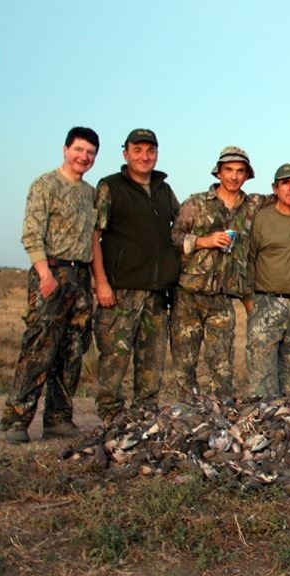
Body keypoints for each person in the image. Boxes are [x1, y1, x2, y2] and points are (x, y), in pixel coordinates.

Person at [1, 127, 100, 443]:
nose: (84, 157)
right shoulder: (45, 185)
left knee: (72, 351)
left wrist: (95, 282)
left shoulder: (90, 194)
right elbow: (32, 233)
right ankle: (16, 421)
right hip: (52, 273)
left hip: (80, 277)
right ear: (65, 149)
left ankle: (58, 419)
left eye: (90, 153)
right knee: (39, 349)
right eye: (79, 150)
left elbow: (92, 239)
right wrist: (45, 274)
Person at [91, 129, 180, 424]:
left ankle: (145, 417)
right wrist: (101, 282)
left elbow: (182, 227)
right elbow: (94, 236)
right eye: (138, 150)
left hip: (156, 293)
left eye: (150, 150)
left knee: (152, 361)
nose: (145, 156)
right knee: (114, 358)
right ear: (125, 153)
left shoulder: (164, 190)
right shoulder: (110, 187)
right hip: (121, 290)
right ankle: (110, 418)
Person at [170, 146, 260, 402]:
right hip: (188, 295)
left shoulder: (253, 206)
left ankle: (219, 415)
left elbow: (289, 195)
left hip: (222, 297)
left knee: (222, 367)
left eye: (240, 171)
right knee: (184, 365)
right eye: (228, 170)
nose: (234, 176)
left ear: (247, 175)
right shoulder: (196, 203)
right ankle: (188, 414)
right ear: (218, 173)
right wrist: (202, 241)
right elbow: (174, 237)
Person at [246, 164, 290, 399]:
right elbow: (248, 259)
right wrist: (249, 300)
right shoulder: (261, 218)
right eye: (286, 183)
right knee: (263, 383)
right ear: (275, 188)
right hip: (266, 303)